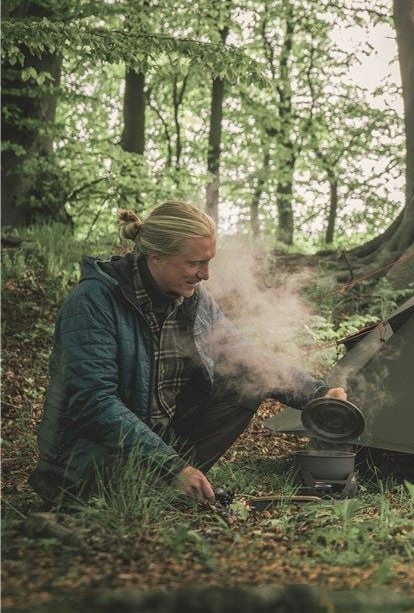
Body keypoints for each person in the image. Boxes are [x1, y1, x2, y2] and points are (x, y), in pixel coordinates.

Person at [29, 201, 346, 505]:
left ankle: (170, 483)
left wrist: (317, 394)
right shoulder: (93, 302)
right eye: (194, 263)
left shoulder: (193, 299)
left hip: (161, 451)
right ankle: (160, 484)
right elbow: (94, 403)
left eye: (208, 262)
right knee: (131, 482)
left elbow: (246, 357)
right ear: (156, 257)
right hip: (87, 462)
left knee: (249, 376)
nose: (205, 274)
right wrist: (171, 467)